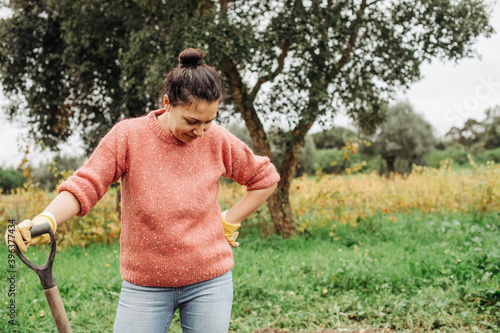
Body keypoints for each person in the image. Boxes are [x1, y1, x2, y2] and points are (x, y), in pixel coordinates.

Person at [5, 48, 280, 333]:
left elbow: (265, 178)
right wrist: (46, 219)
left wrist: (230, 219)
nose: (200, 132)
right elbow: (86, 184)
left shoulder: (217, 139)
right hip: (145, 287)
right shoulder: (128, 136)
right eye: (191, 121)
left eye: (209, 121)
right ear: (167, 103)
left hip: (209, 281)